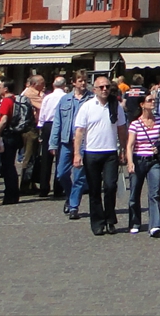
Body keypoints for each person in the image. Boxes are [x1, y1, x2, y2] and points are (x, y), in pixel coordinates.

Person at [73, 74, 124, 235]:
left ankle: (110, 220)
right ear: (94, 89)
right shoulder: (87, 106)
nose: (104, 90)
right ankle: (97, 222)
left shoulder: (116, 106)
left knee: (110, 186)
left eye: (107, 87)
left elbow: (122, 130)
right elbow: (79, 131)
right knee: (94, 190)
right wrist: (77, 153)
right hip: (91, 152)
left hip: (110, 152)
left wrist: (123, 150)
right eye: (101, 87)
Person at [124, 101, 160, 236]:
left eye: (153, 100)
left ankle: (155, 225)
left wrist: (159, 147)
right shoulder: (135, 124)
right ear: (142, 104)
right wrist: (130, 162)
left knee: (154, 193)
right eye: (149, 100)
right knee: (134, 193)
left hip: (154, 161)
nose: (153, 102)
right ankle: (135, 222)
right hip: (138, 160)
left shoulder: (158, 121)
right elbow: (130, 145)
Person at [53, 73, 92, 217]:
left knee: (79, 177)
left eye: (85, 81)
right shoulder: (65, 99)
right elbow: (57, 122)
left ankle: (74, 206)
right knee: (61, 173)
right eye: (80, 81)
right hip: (66, 141)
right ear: (73, 82)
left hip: (83, 143)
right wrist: (53, 143)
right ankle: (70, 197)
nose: (83, 83)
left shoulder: (91, 99)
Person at [38, 75, 67, 197]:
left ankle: (44, 188)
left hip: (47, 125)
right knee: (60, 157)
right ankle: (58, 187)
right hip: (61, 125)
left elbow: (42, 114)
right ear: (64, 86)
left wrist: (40, 128)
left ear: (54, 85)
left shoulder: (47, 97)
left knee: (46, 157)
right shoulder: (66, 97)